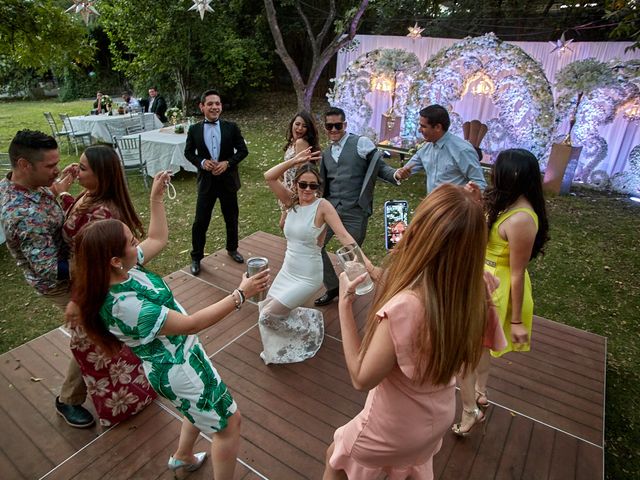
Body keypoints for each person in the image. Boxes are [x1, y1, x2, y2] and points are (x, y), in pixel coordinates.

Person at [71, 173, 270, 478]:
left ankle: (182, 456)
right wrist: (241, 294)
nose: (137, 243)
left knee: (197, 410)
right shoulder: (125, 306)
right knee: (229, 426)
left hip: (184, 359)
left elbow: (158, 239)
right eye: (130, 241)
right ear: (112, 259)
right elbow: (190, 324)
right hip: (178, 370)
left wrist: (156, 198)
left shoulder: (122, 270)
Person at [324, 184, 489, 479]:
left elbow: (361, 378)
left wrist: (344, 308)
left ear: (420, 233)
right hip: (434, 420)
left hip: (393, 428)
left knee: (336, 458)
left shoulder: (405, 308)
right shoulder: (476, 290)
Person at [451, 148, 549, 436]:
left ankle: (469, 411)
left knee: (463, 353)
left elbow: (518, 272)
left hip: (498, 288)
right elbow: (486, 238)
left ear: (514, 176)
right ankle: (481, 392)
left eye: (498, 169)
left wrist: (516, 321)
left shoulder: (522, 218)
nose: (492, 174)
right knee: (479, 347)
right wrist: (478, 203)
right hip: (483, 279)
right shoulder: (506, 204)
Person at [0, 130, 94, 428]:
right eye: (50, 166)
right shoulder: (22, 215)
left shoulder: (22, 184)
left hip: (67, 266)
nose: (57, 169)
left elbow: (44, 199)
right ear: (25, 164)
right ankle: (68, 400)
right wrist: (97, 264)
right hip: (58, 281)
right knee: (92, 328)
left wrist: (59, 186)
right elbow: (50, 269)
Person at [62, 145, 156, 427]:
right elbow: (76, 222)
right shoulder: (89, 195)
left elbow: (97, 266)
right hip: (82, 281)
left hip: (94, 287)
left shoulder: (105, 212)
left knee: (100, 348)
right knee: (99, 347)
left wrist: (78, 299)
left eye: (83, 168)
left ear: (101, 175)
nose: (76, 170)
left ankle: (113, 401)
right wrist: (64, 193)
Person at [261, 150, 357, 365]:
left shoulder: (322, 206)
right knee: (265, 309)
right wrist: (294, 161)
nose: (307, 190)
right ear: (295, 184)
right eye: (303, 184)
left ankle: (309, 326)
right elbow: (269, 176)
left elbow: (343, 235)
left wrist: (365, 264)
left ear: (318, 188)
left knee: (267, 316)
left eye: (313, 186)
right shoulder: (290, 201)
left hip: (308, 275)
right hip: (288, 269)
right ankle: (296, 328)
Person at [314, 106, 401, 306]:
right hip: (331, 210)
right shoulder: (326, 154)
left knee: (353, 257)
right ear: (325, 127)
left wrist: (395, 174)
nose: (333, 130)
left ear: (345, 124)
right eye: (329, 126)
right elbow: (323, 183)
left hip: (354, 211)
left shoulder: (360, 143)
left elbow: (379, 167)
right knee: (315, 245)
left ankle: (360, 292)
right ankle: (333, 287)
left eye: (337, 125)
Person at [185, 88, 249, 275]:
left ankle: (232, 248)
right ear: (202, 106)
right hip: (206, 183)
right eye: (210, 104)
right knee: (200, 221)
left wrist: (228, 163)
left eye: (217, 104)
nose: (214, 107)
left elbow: (243, 151)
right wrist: (202, 162)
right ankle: (196, 257)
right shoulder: (194, 129)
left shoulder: (231, 127)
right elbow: (188, 153)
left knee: (231, 217)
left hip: (228, 181)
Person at [396, 104, 487, 195]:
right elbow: (405, 170)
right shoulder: (426, 148)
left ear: (438, 127)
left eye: (423, 126)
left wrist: (467, 201)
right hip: (433, 205)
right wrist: (401, 174)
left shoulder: (462, 150)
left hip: (455, 207)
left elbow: (480, 184)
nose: (419, 130)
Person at [278, 111, 320, 229]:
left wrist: (295, 192)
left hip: (296, 191)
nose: (300, 128)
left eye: (304, 126)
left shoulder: (301, 142)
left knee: (285, 225)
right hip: (288, 187)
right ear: (292, 124)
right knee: (289, 226)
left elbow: (302, 170)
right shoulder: (293, 143)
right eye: (297, 124)